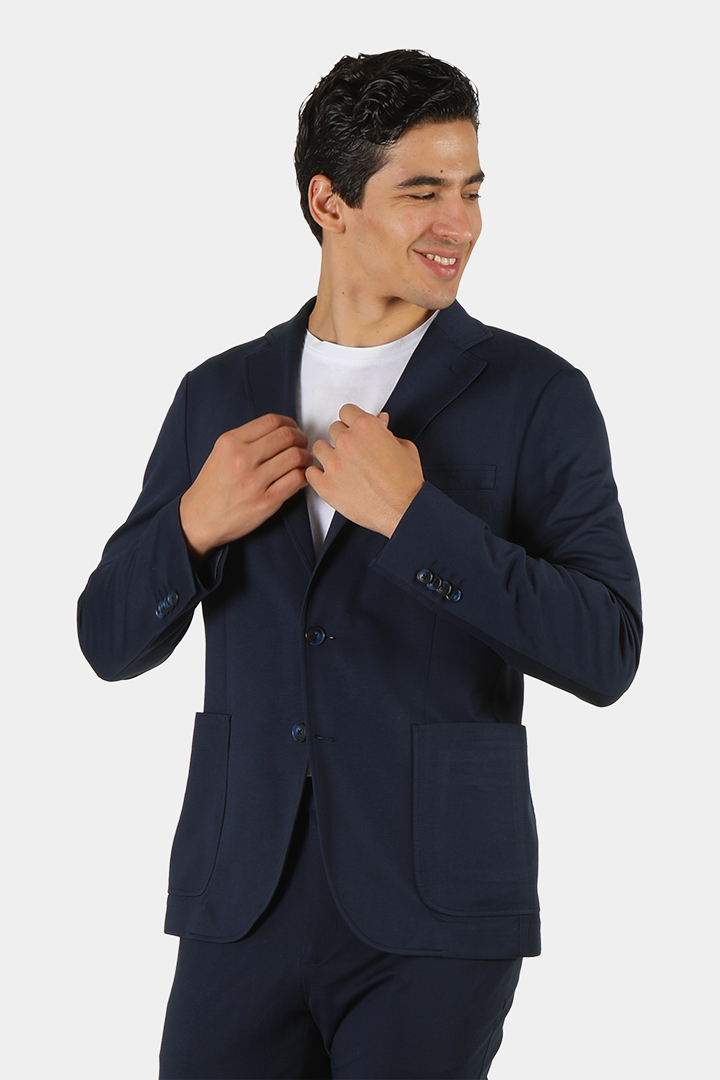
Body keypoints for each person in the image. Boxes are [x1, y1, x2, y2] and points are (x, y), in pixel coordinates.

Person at [78, 49, 642, 1080]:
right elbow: (107, 638)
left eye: (472, 189)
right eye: (423, 191)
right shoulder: (218, 392)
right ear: (328, 202)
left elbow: (606, 648)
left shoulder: (537, 395)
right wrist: (191, 527)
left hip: (436, 910)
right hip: (240, 899)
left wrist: (418, 522)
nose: (460, 223)